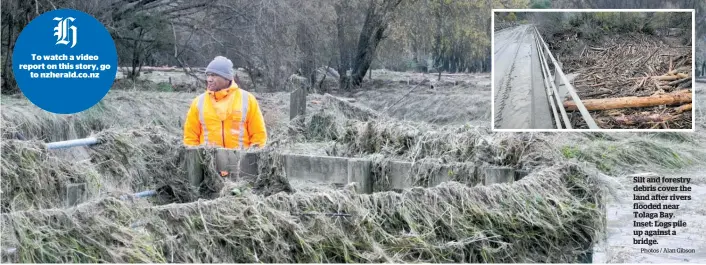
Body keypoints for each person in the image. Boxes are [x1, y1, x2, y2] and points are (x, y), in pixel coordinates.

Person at [183, 56, 267, 149]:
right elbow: (190, 138)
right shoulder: (198, 102)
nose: (209, 79)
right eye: (208, 75)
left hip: (241, 161)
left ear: (227, 78)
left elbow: (258, 136)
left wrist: (252, 159)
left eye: (214, 75)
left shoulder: (248, 99)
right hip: (208, 161)